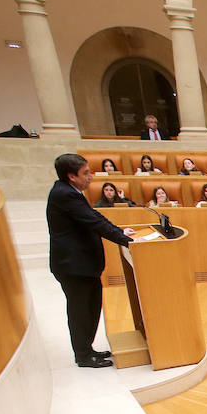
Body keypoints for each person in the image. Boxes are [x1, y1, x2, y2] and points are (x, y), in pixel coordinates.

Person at [46, 153, 136, 368]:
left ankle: (87, 349)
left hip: (82, 265)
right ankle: (84, 355)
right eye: (86, 173)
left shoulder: (70, 192)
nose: (91, 177)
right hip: (74, 266)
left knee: (90, 307)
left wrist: (121, 232)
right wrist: (126, 240)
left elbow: (94, 217)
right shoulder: (65, 195)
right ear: (71, 176)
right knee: (80, 311)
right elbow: (94, 222)